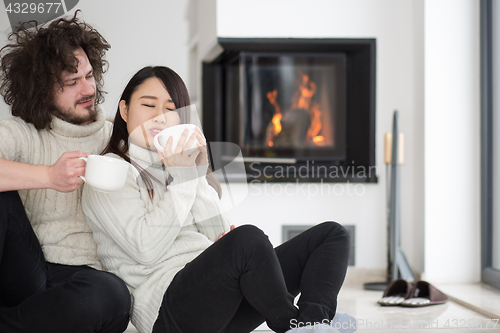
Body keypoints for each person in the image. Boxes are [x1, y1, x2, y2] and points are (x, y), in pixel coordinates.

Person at [82, 65, 354, 333]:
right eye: (149, 105)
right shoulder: (110, 172)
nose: (160, 118)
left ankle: (313, 325)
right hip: (170, 312)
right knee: (249, 239)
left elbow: (218, 234)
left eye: (170, 109)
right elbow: (145, 249)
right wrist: (182, 178)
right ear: (125, 110)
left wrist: (196, 174)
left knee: (332, 235)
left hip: (222, 301)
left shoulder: (179, 168)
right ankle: (289, 322)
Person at [0, 13, 131, 333]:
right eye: (72, 82)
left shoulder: (114, 137)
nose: (88, 88)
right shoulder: (22, 133)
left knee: (113, 295)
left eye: (89, 75)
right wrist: (48, 176)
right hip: (24, 269)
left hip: (82, 278)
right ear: (42, 90)